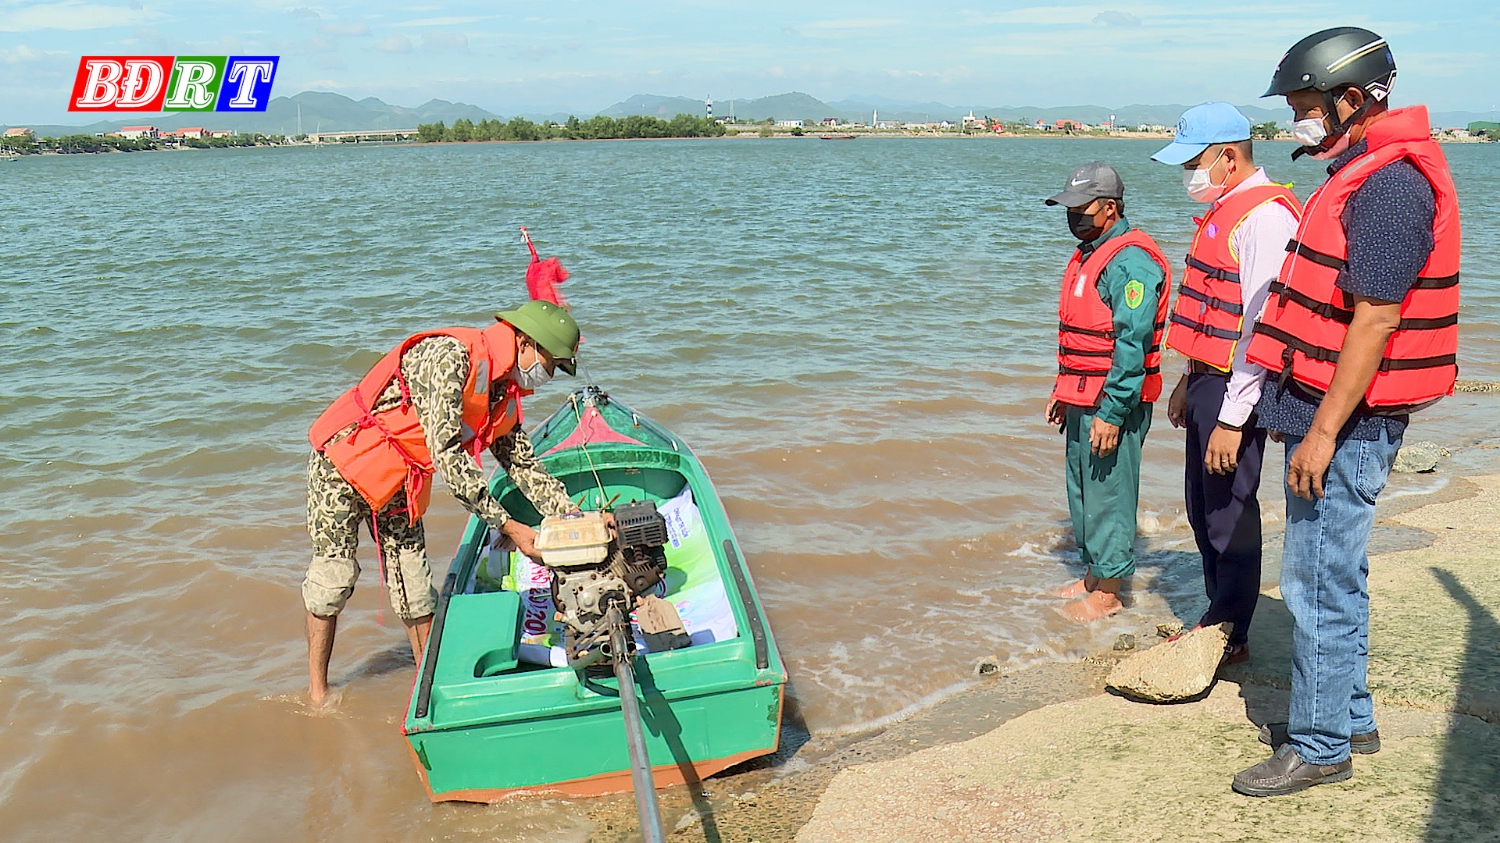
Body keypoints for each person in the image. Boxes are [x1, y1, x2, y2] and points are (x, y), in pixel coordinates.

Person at [1231, 27, 1461, 797]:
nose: (1298, 119)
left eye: (1303, 106)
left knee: (1317, 583)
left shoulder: (1392, 185)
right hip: (1329, 414)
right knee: (1335, 572)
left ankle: (1322, 742)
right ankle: (1352, 714)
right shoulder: (1361, 169)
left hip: (1348, 423)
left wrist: (1322, 432)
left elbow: (1375, 320)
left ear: (1351, 101)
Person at [301, 300, 583, 705]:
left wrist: (570, 513)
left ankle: (428, 690)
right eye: (551, 363)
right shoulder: (449, 358)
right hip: (342, 462)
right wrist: (512, 528)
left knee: (416, 590)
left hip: (399, 477)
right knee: (334, 579)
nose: (550, 374)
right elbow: (449, 458)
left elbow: (520, 461)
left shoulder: (502, 389)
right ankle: (318, 693)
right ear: (525, 342)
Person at [1151, 103, 1302, 665]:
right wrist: (1187, 379)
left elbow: (1262, 323)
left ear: (1229, 157)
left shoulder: (1264, 216)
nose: (1187, 172)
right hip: (1209, 380)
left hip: (1239, 386)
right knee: (1201, 499)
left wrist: (1234, 417)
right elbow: (1215, 314)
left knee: (1230, 507)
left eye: (1194, 161)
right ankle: (1219, 611)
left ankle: (1230, 629)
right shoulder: (1228, 208)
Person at [1043, 162, 1173, 621]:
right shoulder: (1090, 253)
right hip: (1082, 394)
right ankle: (1096, 573)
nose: (1072, 217)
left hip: (1112, 401)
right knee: (1082, 488)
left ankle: (1111, 590)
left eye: (1081, 209)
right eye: (1068, 208)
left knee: (1109, 492)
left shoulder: (1130, 261)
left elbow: (1130, 345)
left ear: (1110, 207)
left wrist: (1113, 413)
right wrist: (1062, 390)